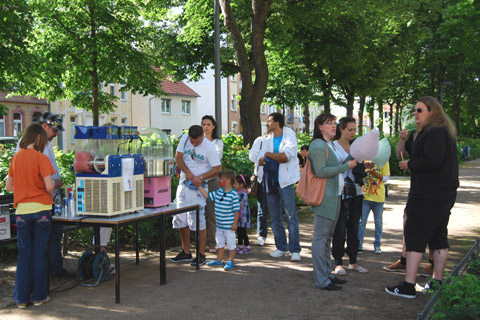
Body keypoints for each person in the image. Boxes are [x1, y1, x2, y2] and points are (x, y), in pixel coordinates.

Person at [386, 96, 459, 298]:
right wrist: (402, 140)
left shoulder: (435, 132)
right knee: (438, 236)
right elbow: (400, 154)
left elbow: (432, 161)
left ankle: (409, 285)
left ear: (432, 111)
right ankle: (436, 282)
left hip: (430, 193)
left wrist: (410, 165)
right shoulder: (422, 133)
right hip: (437, 193)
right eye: (415, 110)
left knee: (415, 234)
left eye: (420, 110)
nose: (415, 113)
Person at [7, 124, 56, 308]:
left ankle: (20, 299)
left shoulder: (16, 158)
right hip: (41, 209)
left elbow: (9, 187)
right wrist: (49, 193)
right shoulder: (41, 158)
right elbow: (50, 186)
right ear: (38, 139)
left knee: (24, 255)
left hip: (21, 212)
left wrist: (25, 186)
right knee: (40, 254)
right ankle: (39, 296)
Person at [309, 114, 357, 290]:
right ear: (320, 126)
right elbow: (321, 171)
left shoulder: (328, 144)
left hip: (334, 195)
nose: (333, 126)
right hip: (325, 198)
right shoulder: (318, 144)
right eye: (329, 123)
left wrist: (349, 161)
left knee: (327, 237)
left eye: (334, 123)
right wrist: (346, 167)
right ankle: (321, 279)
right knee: (320, 238)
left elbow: (332, 166)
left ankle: (327, 274)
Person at [16, 112, 67, 277]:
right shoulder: (39, 147)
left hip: (28, 205)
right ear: (44, 127)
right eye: (55, 129)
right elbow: (42, 179)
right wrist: (54, 185)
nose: (57, 133)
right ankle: (48, 274)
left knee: (47, 238)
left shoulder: (41, 144)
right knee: (42, 243)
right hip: (41, 202)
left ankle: (52, 270)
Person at [170, 125, 222, 266]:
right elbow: (178, 158)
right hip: (183, 184)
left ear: (202, 136)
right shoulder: (185, 138)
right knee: (180, 218)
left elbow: (217, 169)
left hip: (199, 187)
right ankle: (186, 252)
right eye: (192, 142)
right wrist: (187, 172)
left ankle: (201, 254)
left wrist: (201, 177)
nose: (193, 144)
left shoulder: (209, 147)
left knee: (198, 220)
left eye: (196, 142)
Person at [259, 113, 301, 261]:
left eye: (269, 121)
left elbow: (286, 156)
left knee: (291, 216)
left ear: (277, 123)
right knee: (275, 216)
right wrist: (268, 157)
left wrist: (269, 155)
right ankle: (281, 247)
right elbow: (259, 159)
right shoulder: (266, 139)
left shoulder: (289, 135)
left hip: (285, 181)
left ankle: (295, 249)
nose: (267, 124)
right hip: (270, 180)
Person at [331, 117, 368, 275]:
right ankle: (338, 262)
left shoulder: (356, 147)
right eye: (350, 129)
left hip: (357, 191)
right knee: (339, 227)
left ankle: (353, 260)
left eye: (354, 129)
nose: (353, 132)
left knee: (354, 226)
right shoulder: (332, 146)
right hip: (339, 192)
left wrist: (365, 166)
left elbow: (358, 167)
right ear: (341, 129)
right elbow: (330, 168)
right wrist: (346, 163)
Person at [198, 170, 239, 271]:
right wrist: (199, 186)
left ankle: (231, 261)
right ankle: (219, 260)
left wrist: (234, 223)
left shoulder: (233, 194)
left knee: (231, 243)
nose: (219, 181)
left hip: (229, 226)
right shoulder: (219, 191)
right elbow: (208, 196)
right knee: (220, 243)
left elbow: (236, 210)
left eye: (221, 179)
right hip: (219, 225)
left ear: (228, 181)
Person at [201, 115, 224, 253]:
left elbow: (216, 157)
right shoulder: (198, 142)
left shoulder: (217, 142)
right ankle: (199, 241)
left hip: (212, 180)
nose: (206, 127)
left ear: (213, 126)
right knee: (197, 212)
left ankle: (211, 242)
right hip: (198, 180)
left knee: (211, 212)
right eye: (204, 124)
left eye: (208, 124)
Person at [358, 161, 390, 254]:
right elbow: (358, 173)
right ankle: (359, 245)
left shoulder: (384, 161)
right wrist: (364, 167)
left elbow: (385, 179)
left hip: (378, 198)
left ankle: (377, 245)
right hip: (365, 196)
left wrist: (373, 172)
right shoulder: (364, 159)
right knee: (361, 222)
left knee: (378, 222)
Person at [249, 132, 271, 246]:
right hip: (262, 179)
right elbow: (252, 157)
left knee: (276, 208)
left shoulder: (282, 141)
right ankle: (262, 234)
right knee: (262, 209)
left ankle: (279, 237)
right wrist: (264, 159)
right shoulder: (260, 141)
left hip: (278, 180)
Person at [235, 174, 252, 255]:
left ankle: (247, 246)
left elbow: (240, 203)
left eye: (235, 184)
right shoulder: (237, 192)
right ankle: (240, 245)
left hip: (243, 217)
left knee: (243, 232)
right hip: (239, 217)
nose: (233, 185)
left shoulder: (242, 194)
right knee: (239, 231)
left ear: (241, 185)